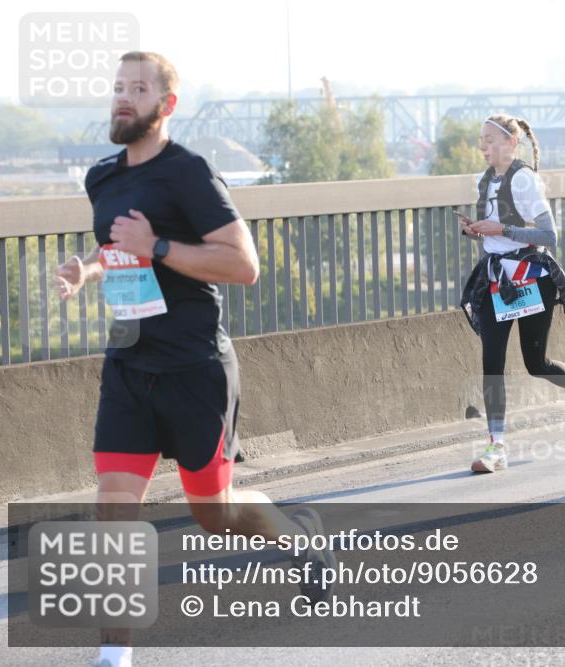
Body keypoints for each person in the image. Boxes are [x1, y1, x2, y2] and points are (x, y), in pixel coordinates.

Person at [54, 52, 333, 667]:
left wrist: (156, 245)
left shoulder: (191, 173)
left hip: (194, 367)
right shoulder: (102, 177)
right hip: (130, 362)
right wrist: (87, 269)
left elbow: (244, 265)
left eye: (138, 89)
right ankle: (114, 657)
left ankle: (301, 542)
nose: (122, 98)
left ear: (166, 105)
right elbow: (115, 247)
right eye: (118, 87)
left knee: (216, 512)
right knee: (113, 509)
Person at [459, 114, 565, 473]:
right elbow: (496, 234)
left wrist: (501, 229)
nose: (483, 147)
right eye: (481, 140)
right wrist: (477, 230)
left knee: (536, 362)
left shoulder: (524, 179)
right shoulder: (483, 180)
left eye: (490, 140)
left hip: (531, 278)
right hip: (496, 279)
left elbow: (548, 235)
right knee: (492, 362)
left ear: (512, 143)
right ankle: (496, 446)